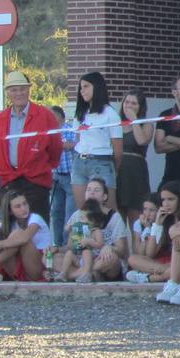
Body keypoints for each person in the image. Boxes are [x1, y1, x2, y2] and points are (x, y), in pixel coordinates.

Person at [0, 70, 62, 219]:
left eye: (22, 89)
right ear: (8, 93)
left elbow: (56, 148)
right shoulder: (1, 118)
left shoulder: (44, 115)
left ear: (29, 90)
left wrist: (42, 167)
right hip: (9, 180)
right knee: (7, 225)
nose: (19, 93)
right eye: (14, 90)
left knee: (37, 226)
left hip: (36, 181)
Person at [0, 189, 50, 283]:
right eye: (18, 206)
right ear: (10, 211)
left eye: (25, 204)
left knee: (17, 234)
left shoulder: (35, 218)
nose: (24, 208)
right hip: (18, 269)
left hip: (38, 268)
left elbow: (24, 238)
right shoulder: (8, 223)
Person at [70, 71, 123, 213]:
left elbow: (118, 150)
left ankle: (115, 235)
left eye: (86, 86)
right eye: (81, 87)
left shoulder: (110, 114)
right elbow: (77, 140)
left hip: (102, 162)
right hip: (79, 163)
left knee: (108, 210)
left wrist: (114, 170)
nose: (82, 91)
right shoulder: (80, 113)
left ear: (97, 87)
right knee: (83, 210)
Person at [56, 178, 128, 283]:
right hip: (80, 259)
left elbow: (122, 251)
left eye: (96, 190)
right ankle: (89, 274)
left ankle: (72, 275)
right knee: (50, 258)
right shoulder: (78, 215)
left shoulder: (114, 217)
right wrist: (56, 249)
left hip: (101, 260)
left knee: (111, 258)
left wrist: (109, 248)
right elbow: (71, 246)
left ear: (105, 197)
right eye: (88, 190)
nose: (92, 193)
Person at [117, 90, 153, 211]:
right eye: (127, 102)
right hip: (118, 170)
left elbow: (141, 140)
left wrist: (134, 120)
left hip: (135, 172)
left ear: (140, 107)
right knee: (118, 213)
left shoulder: (146, 124)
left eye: (134, 103)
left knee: (135, 213)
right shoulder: (116, 123)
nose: (129, 106)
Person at [122, 196, 171, 283]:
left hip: (163, 260)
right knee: (132, 259)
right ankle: (160, 274)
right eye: (145, 209)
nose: (147, 214)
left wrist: (152, 227)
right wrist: (147, 230)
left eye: (152, 210)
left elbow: (150, 253)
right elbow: (139, 253)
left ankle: (150, 277)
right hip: (148, 262)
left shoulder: (162, 224)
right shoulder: (138, 223)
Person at [49, 107, 74, 246]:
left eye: (53, 116)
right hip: (55, 177)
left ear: (62, 117)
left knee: (70, 212)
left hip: (70, 177)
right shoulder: (49, 132)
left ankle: (68, 244)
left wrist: (57, 144)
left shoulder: (69, 129)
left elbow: (72, 145)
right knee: (56, 211)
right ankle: (57, 244)